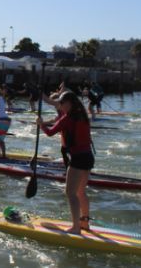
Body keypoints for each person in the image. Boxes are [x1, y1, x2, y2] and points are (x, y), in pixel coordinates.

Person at [36, 91, 94, 234]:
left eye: (62, 103)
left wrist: (41, 124)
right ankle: (84, 223)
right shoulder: (83, 115)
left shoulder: (68, 118)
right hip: (88, 157)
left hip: (78, 159)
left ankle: (75, 228)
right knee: (81, 192)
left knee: (70, 193)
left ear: (70, 103)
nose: (60, 105)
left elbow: (50, 133)